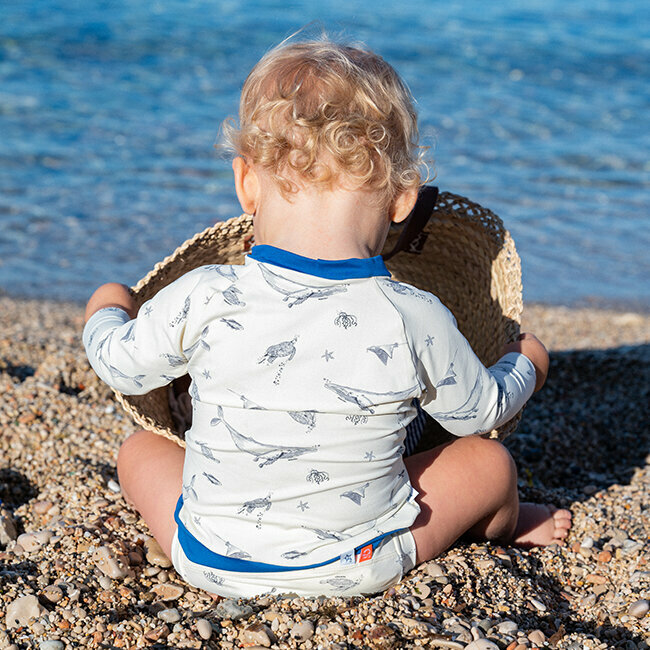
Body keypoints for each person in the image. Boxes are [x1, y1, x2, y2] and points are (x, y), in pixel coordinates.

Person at [83, 37, 571, 598]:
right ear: (402, 201)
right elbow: (478, 411)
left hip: (208, 557)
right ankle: (503, 528)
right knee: (488, 463)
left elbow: (121, 367)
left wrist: (108, 306)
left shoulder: (205, 294)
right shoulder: (412, 314)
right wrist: (525, 364)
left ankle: (200, 541)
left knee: (138, 450)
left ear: (245, 183)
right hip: (357, 561)